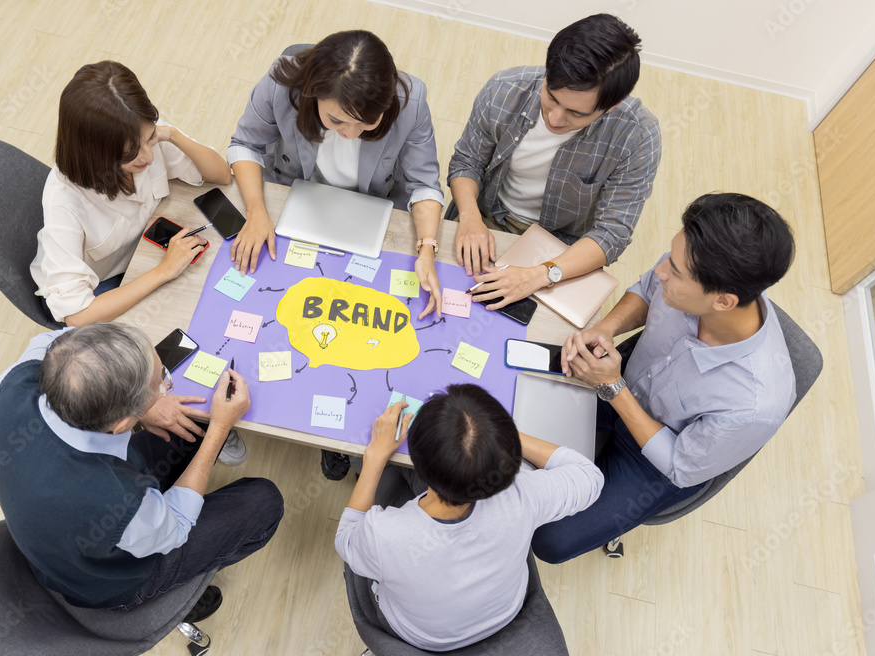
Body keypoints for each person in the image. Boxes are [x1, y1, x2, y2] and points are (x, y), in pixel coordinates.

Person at [530, 192, 796, 563]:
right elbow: (645, 290)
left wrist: (613, 387)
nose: (661, 271)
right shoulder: (687, 265)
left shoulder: (754, 405)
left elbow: (679, 466)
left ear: (723, 301)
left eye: (675, 271)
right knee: (516, 381)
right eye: (670, 258)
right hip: (621, 378)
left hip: (655, 456)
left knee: (549, 540)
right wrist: (607, 329)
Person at [0, 323, 283, 617]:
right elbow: (177, 526)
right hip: (109, 581)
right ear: (120, 422)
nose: (165, 387)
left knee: (191, 425)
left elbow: (59, 339)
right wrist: (221, 427)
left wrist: (145, 404)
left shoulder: (15, 382)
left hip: (62, 523)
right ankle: (171, 592)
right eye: (161, 384)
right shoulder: (115, 498)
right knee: (264, 501)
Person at [335, 385, 603, 651]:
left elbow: (346, 538)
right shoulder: (525, 494)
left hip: (422, 637)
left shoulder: (386, 535)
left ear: (418, 462)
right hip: (504, 613)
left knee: (388, 478)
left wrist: (375, 456)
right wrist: (498, 438)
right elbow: (589, 476)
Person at [447, 13, 661, 310]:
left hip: (561, 247)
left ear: (611, 107)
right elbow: (467, 161)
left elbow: (612, 233)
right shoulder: (504, 89)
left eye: (576, 113)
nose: (555, 118)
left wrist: (542, 274)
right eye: (551, 96)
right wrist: (469, 217)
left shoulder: (637, 136)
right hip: (483, 215)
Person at [228, 30, 445, 320]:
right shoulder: (280, 85)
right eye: (337, 120)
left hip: (371, 207)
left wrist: (427, 248)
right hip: (292, 194)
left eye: (367, 122)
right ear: (312, 93)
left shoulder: (411, 101)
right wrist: (256, 211)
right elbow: (245, 145)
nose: (350, 134)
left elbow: (424, 185)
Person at [31, 60, 232, 328]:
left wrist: (170, 135)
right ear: (96, 154)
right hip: (99, 289)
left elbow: (221, 174)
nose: (149, 156)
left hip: (141, 254)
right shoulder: (64, 200)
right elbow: (77, 316)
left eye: (150, 137)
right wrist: (164, 271)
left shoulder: (138, 134)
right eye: (131, 154)